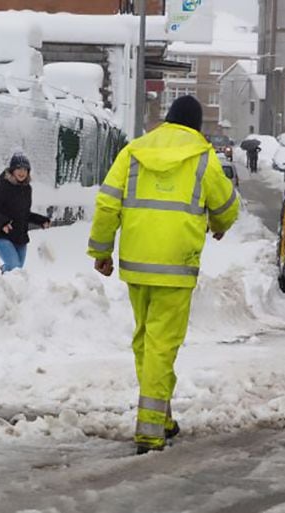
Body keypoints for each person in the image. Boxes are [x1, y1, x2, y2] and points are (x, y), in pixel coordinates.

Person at [87, 95, 239, 455]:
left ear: (168, 120)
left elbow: (107, 201)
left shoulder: (135, 150)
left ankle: (163, 415)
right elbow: (227, 206)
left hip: (137, 263)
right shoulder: (203, 157)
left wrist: (101, 250)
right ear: (196, 125)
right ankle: (151, 431)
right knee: (161, 346)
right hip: (176, 265)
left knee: (144, 342)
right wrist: (218, 224)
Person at [0, 152, 51, 273]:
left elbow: (24, 214)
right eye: (18, 169)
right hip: (2, 235)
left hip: (20, 237)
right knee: (14, 267)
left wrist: (41, 220)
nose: (22, 172)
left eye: (25, 169)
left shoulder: (27, 189)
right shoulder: (3, 186)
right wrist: (4, 223)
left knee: (17, 271)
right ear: (12, 170)